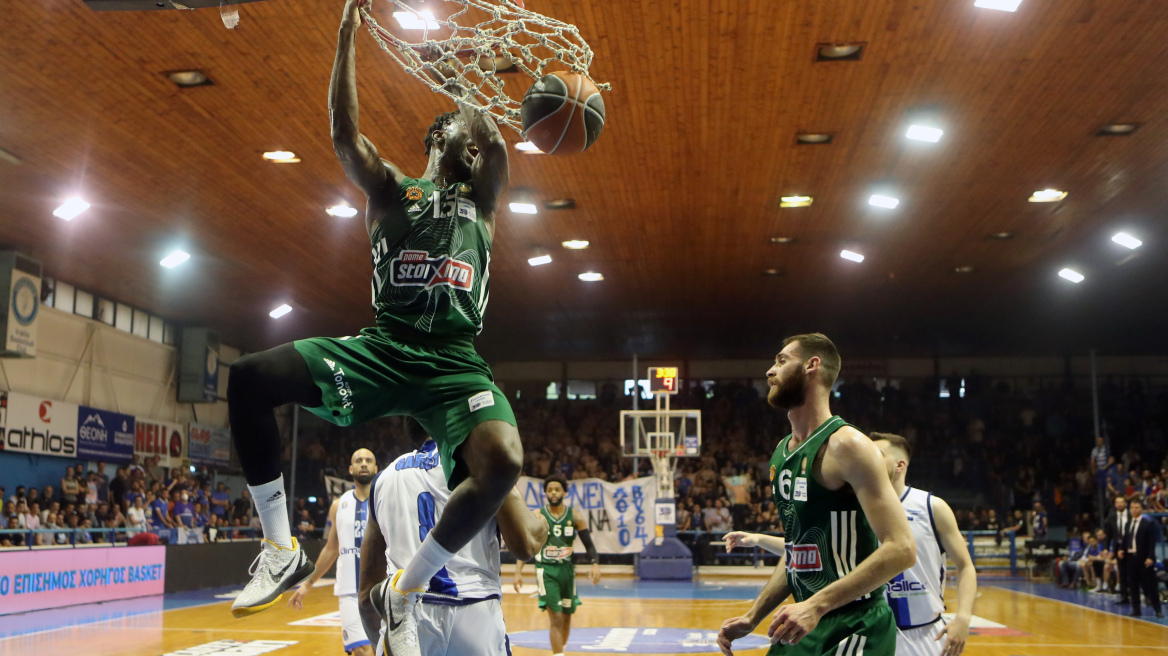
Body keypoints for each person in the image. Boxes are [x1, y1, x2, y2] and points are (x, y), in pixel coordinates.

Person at [225, 0, 523, 634]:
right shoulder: (393, 189)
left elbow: (494, 139)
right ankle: (279, 547)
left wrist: (461, 82)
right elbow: (342, 134)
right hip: (384, 348)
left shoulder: (484, 200)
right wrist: (345, 39)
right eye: (456, 139)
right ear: (433, 143)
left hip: (455, 362)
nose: (469, 149)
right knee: (250, 377)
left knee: (502, 464)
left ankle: (404, 589)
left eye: (471, 144)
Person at [718, 334, 916, 656]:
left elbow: (902, 549)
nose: (770, 371)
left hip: (852, 623)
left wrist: (816, 605)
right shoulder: (782, 452)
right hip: (803, 620)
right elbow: (797, 551)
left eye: (782, 361)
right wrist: (753, 616)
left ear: (812, 365)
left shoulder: (848, 445)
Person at [359, 436, 548, 656]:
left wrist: (380, 641)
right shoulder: (481, 464)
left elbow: (366, 595)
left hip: (408, 617)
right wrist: (541, 523)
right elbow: (526, 544)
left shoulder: (384, 479)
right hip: (474, 611)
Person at [868, 434, 977, 656]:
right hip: (871, 634)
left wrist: (964, 618)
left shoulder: (932, 507)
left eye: (877, 454)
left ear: (900, 465)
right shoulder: (856, 510)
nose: (868, 459)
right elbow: (805, 547)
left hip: (925, 635)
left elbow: (966, 566)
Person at [288, 449, 378, 656]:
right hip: (349, 591)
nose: (363, 464)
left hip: (381, 589)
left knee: (384, 649)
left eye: (368, 460)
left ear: (376, 468)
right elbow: (331, 549)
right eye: (358, 460)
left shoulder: (384, 500)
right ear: (350, 468)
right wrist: (307, 585)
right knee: (362, 651)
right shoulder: (339, 505)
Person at [513, 474, 601, 656]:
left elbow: (589, 545)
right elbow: (525, 544)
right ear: (545, 493)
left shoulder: (575, 516)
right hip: (546, 570)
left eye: (557, 489)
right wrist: (518, 572)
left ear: (565, 493)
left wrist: (595, 564)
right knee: (557, 617)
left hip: (567, 571)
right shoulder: (537, 515)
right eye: (550, 490)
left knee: (567, 618)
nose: (553, 492)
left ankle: (560, 651)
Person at [1121, 499, 1163, 617]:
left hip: (1144, 558)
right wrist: (1121, 550)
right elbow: (1126, 540)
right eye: (1132, 508)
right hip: (1131, 558)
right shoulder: (1128, 523)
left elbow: (1151, 542)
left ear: (1141, 509)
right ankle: (1136, 610)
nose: (1134, 510)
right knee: (1133, 585)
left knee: (1151, 585)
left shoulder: (1147, 523)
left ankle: (1158, 609)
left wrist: (1151, 557)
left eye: (1136, 507)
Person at [1104, 497, 1131, 602]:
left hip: (1130, 546)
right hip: (1118, 547)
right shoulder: (1111, 517)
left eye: (1121, 502)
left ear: (1125, 503)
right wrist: (1106, 548)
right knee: (1121, 571)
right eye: (1117, 503)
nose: (1119, 504)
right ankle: (1124, 596)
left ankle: (1138, 593)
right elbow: (1109, 534)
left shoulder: (1130, 515)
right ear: (1115, 505)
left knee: (1133, 571)